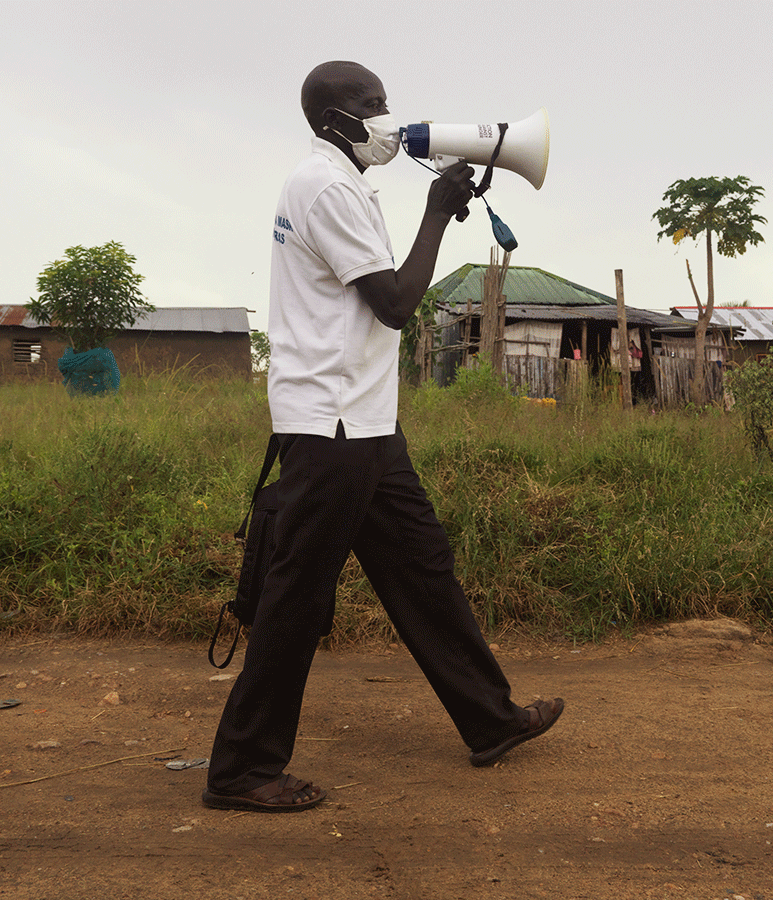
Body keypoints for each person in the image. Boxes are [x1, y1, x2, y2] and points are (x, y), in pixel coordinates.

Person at [203, 61, 563, 813]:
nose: (384, 119)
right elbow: (396, 303)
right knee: (296, 597)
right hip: (333, 427)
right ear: (332, 117)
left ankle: (490, 720)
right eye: (370, 106)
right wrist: (437, 212)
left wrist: (438, 209)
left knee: (423, 571)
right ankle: (241, 770)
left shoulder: (340, 184)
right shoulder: (326, 187)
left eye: (384, 103)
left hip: (363, 425)